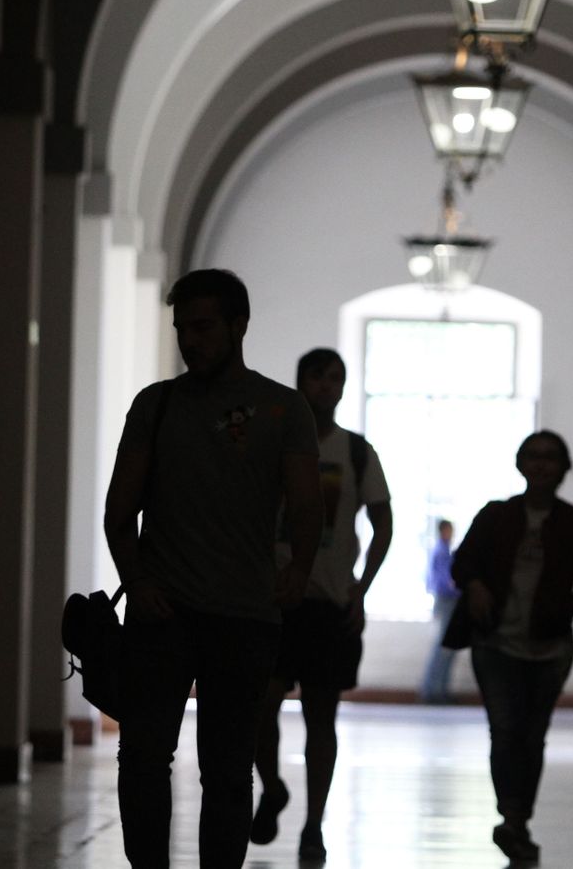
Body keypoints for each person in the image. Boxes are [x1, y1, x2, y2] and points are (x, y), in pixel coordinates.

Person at [103, 269, 326, 869]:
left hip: (245, 615)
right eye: (182, 329)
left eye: (202, 327)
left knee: (228, 769)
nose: (190, 341)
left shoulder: (284, 408)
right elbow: (118, 512)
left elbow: (308, 504)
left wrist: (299, 568)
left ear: (239, 326)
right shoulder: (157, 405)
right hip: (163, 614)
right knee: (145, 759)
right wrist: (140, 581)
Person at [251, 348, 394, 862]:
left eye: (337, 378)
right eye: (318, 376)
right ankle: (271, 786)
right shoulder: (273, 444)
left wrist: (362, 588)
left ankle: (314, 823)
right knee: (260, 708)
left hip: (328, 602)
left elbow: (383, 523)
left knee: (321, 718)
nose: (327, 386)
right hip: (272, 599)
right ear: (300, 382)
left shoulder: (355, 452)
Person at [443, 431, 573, 865]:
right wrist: (477, 585)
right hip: (495, 643)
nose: (540, 465)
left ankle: (517, 822)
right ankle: (511, 815)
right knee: (504, 730)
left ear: (563, 467)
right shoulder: (497, 516)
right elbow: (463, 563)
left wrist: (567, 607)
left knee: (532, 736)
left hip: (550, 649)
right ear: (519, 464)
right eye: (532, 457)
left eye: (550, 458)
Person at [418, 518, 460, 703]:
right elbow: (446, 582)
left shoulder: (445, 551)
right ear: (444, 530)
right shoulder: (441, 552)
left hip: (448, 602)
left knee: (447, 647)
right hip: (446, 601)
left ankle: (438, 689)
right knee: (443, 647)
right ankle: (432, 691)